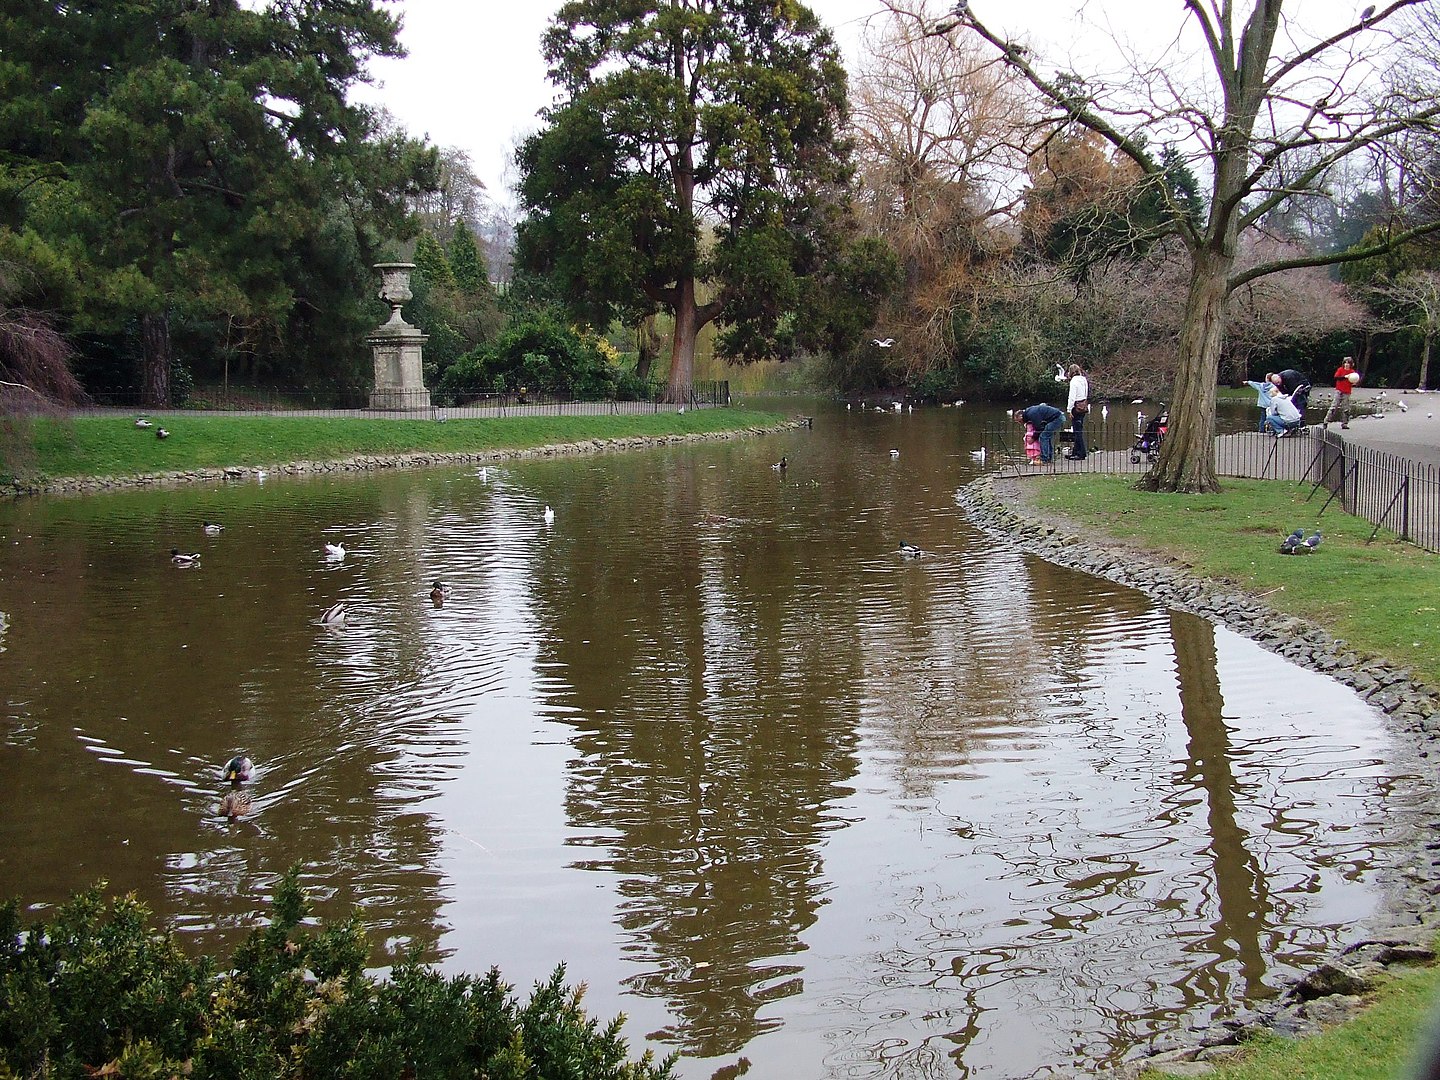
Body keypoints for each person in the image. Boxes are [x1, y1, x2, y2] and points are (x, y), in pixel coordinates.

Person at [1055, 362, 1090, 460]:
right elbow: (1087, 392)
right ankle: (1075, 452)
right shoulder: (1084, 379)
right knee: (1079, 428)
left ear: (1070, 372)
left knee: (1077, 431)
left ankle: (1081, 453)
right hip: (1083, 405)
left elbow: (1072, 397)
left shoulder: (1074, 381)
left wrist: (1069, 409)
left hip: (1076, 407)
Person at [1321, 356, 1359, 429]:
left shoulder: (1352, 372)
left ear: (1351, 364)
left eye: (1348, 363)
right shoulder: (1340, 370)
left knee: (1346, 409)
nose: (1346, 364)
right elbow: (1336, 377)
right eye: (1345, 363)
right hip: (1339, 391)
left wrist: (1354, 383)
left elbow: (1354, 380)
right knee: (1333, 407)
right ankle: (1326, 421)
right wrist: (1345, 377)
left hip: (1347, 392)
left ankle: (1344, 423)